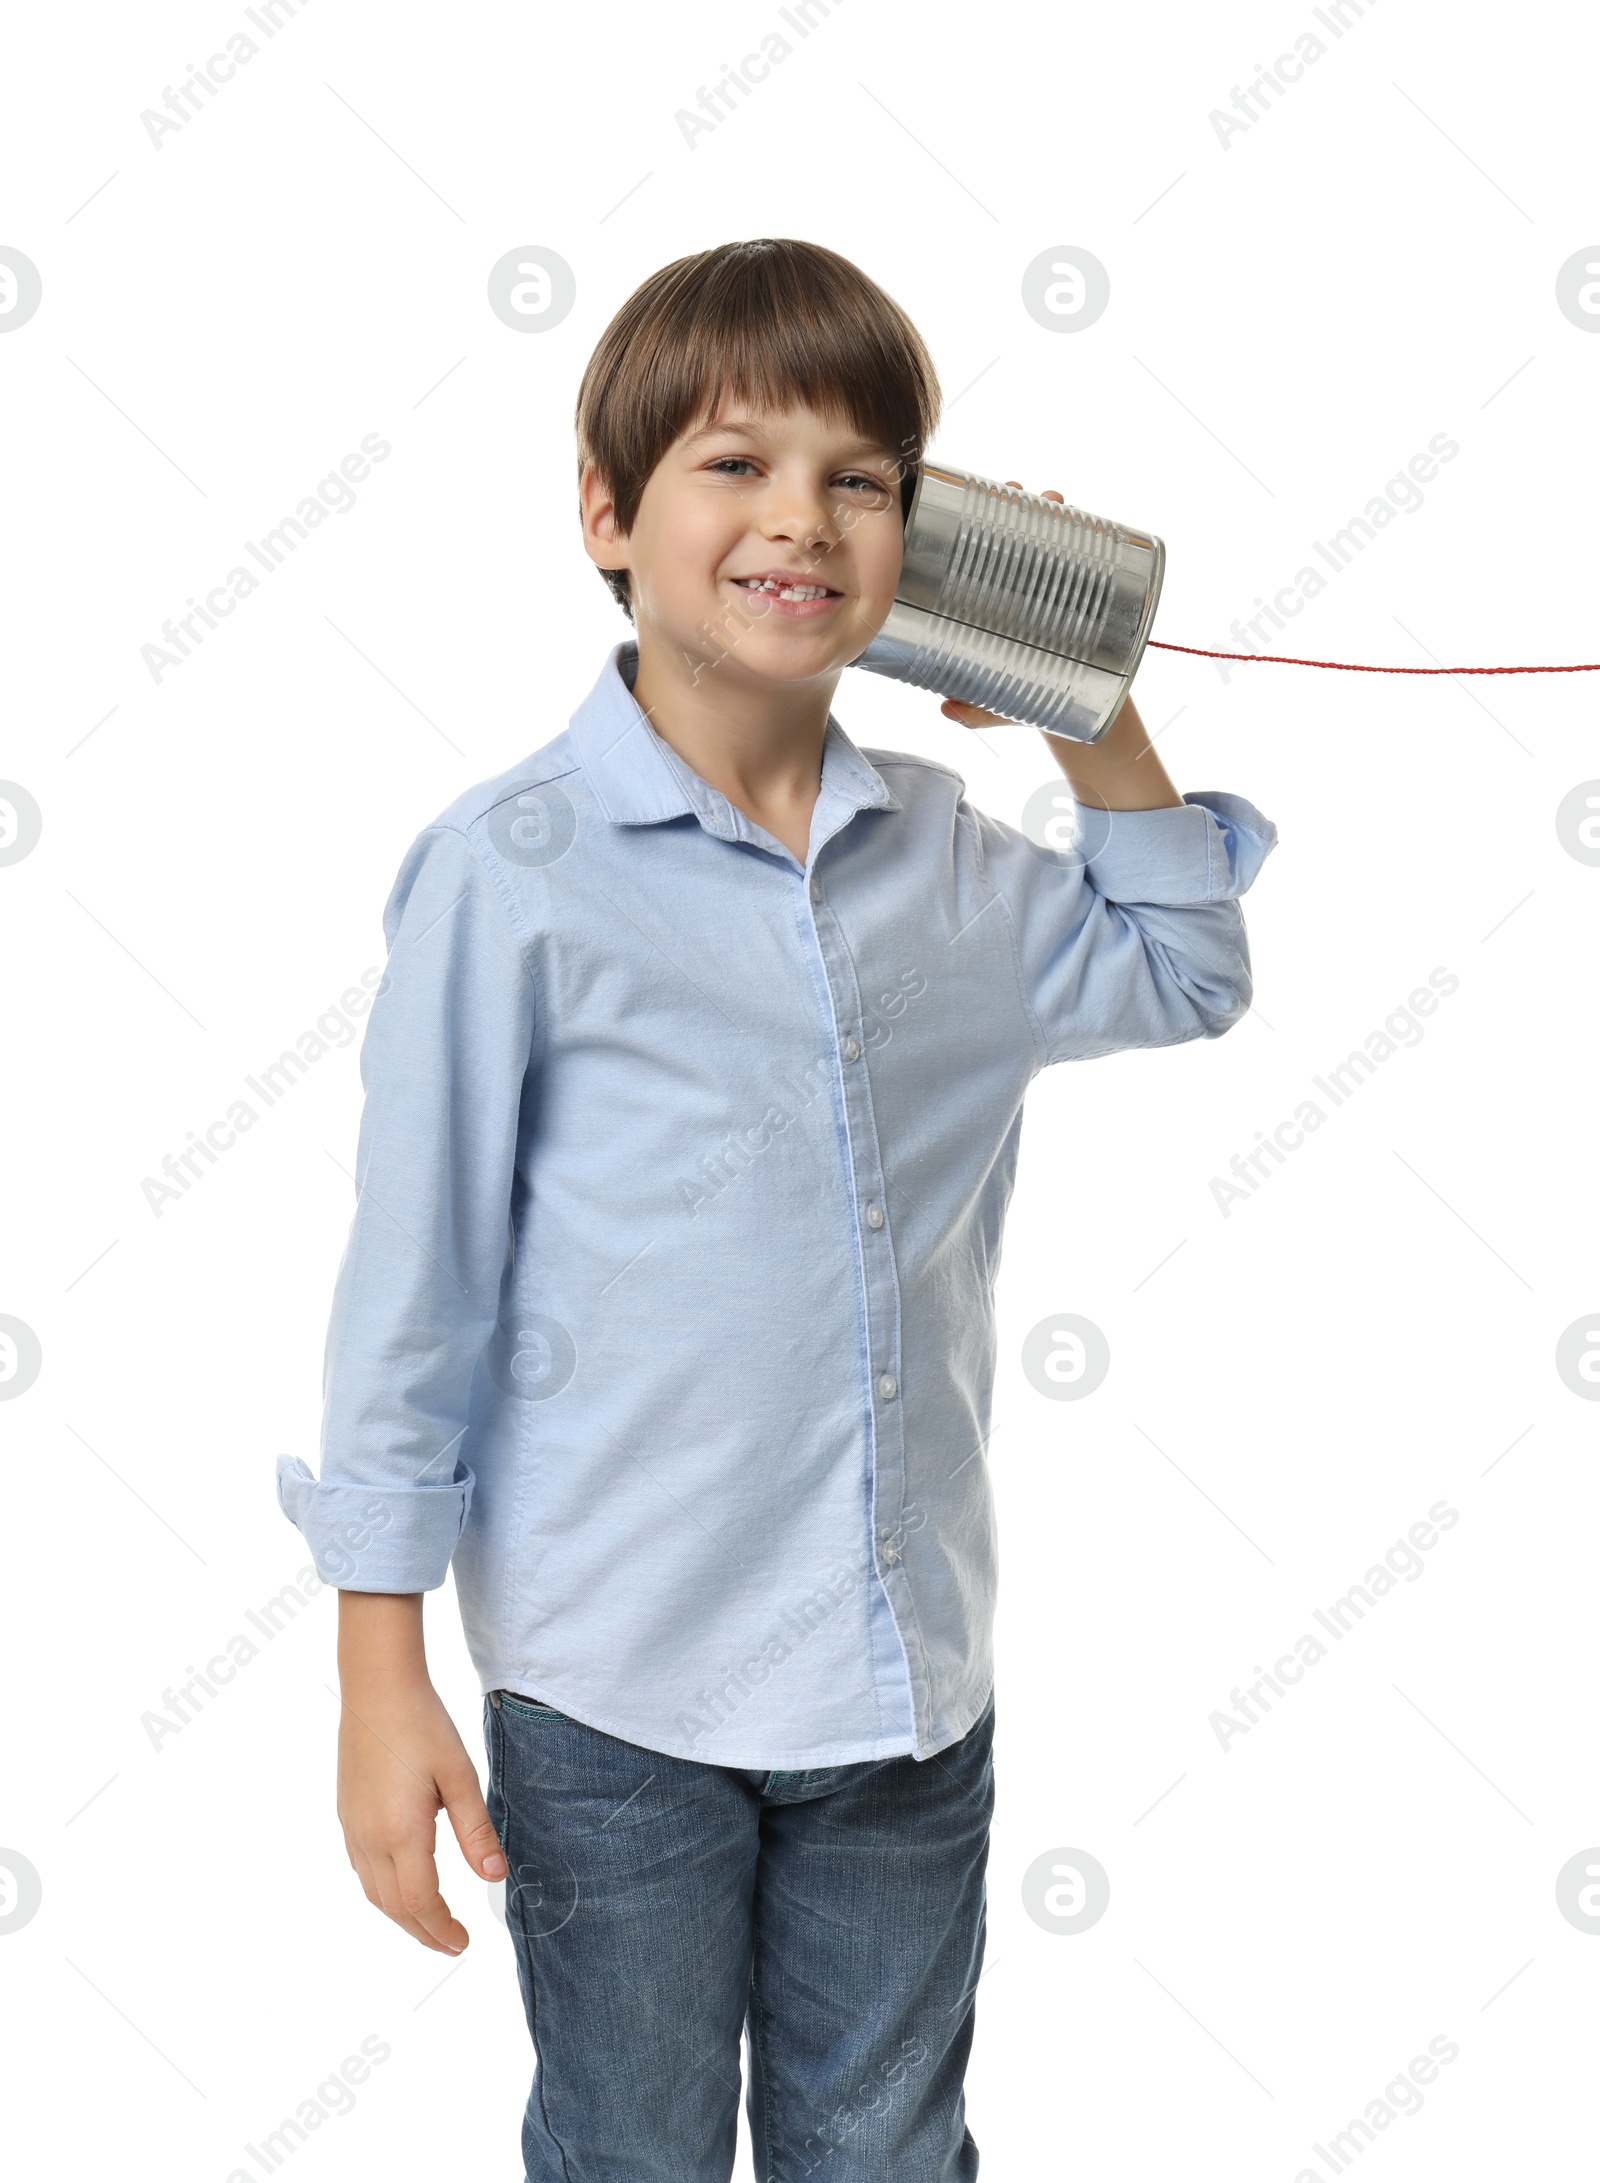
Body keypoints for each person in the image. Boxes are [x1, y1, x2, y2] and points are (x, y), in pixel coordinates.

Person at [277, 235, 1277, 2181]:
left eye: (863, 482)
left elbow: (1183, 968)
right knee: (632, 2150)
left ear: (926, 540)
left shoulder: (953, 871)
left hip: (904, 1691)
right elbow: (416, 1295)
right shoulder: (517, 875)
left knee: (885, 2153)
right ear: (606, 511)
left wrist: (1073, 690)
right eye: (732, 465)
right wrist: (377, 1673)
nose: (797, 520)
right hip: (614, 1691)